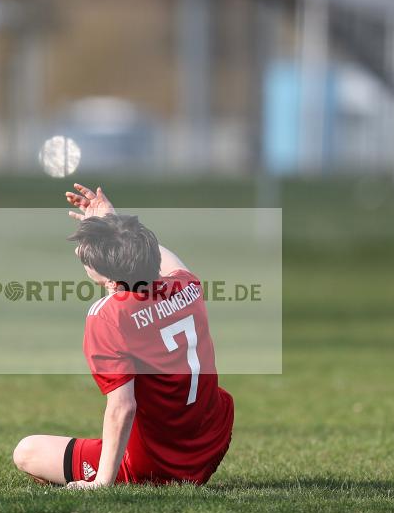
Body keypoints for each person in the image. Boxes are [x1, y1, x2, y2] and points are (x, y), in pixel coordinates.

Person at [12, 184, 234, 489]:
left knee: (27, 452)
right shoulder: (186, 286)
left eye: (86, 258)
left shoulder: (109, 315)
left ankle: (112, 475)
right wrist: (116, 223)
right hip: (212, 441)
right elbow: (157, 258)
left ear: (113, 282)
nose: (81, 254)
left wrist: (102, 482)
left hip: (161, 465)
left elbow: (123, 406)